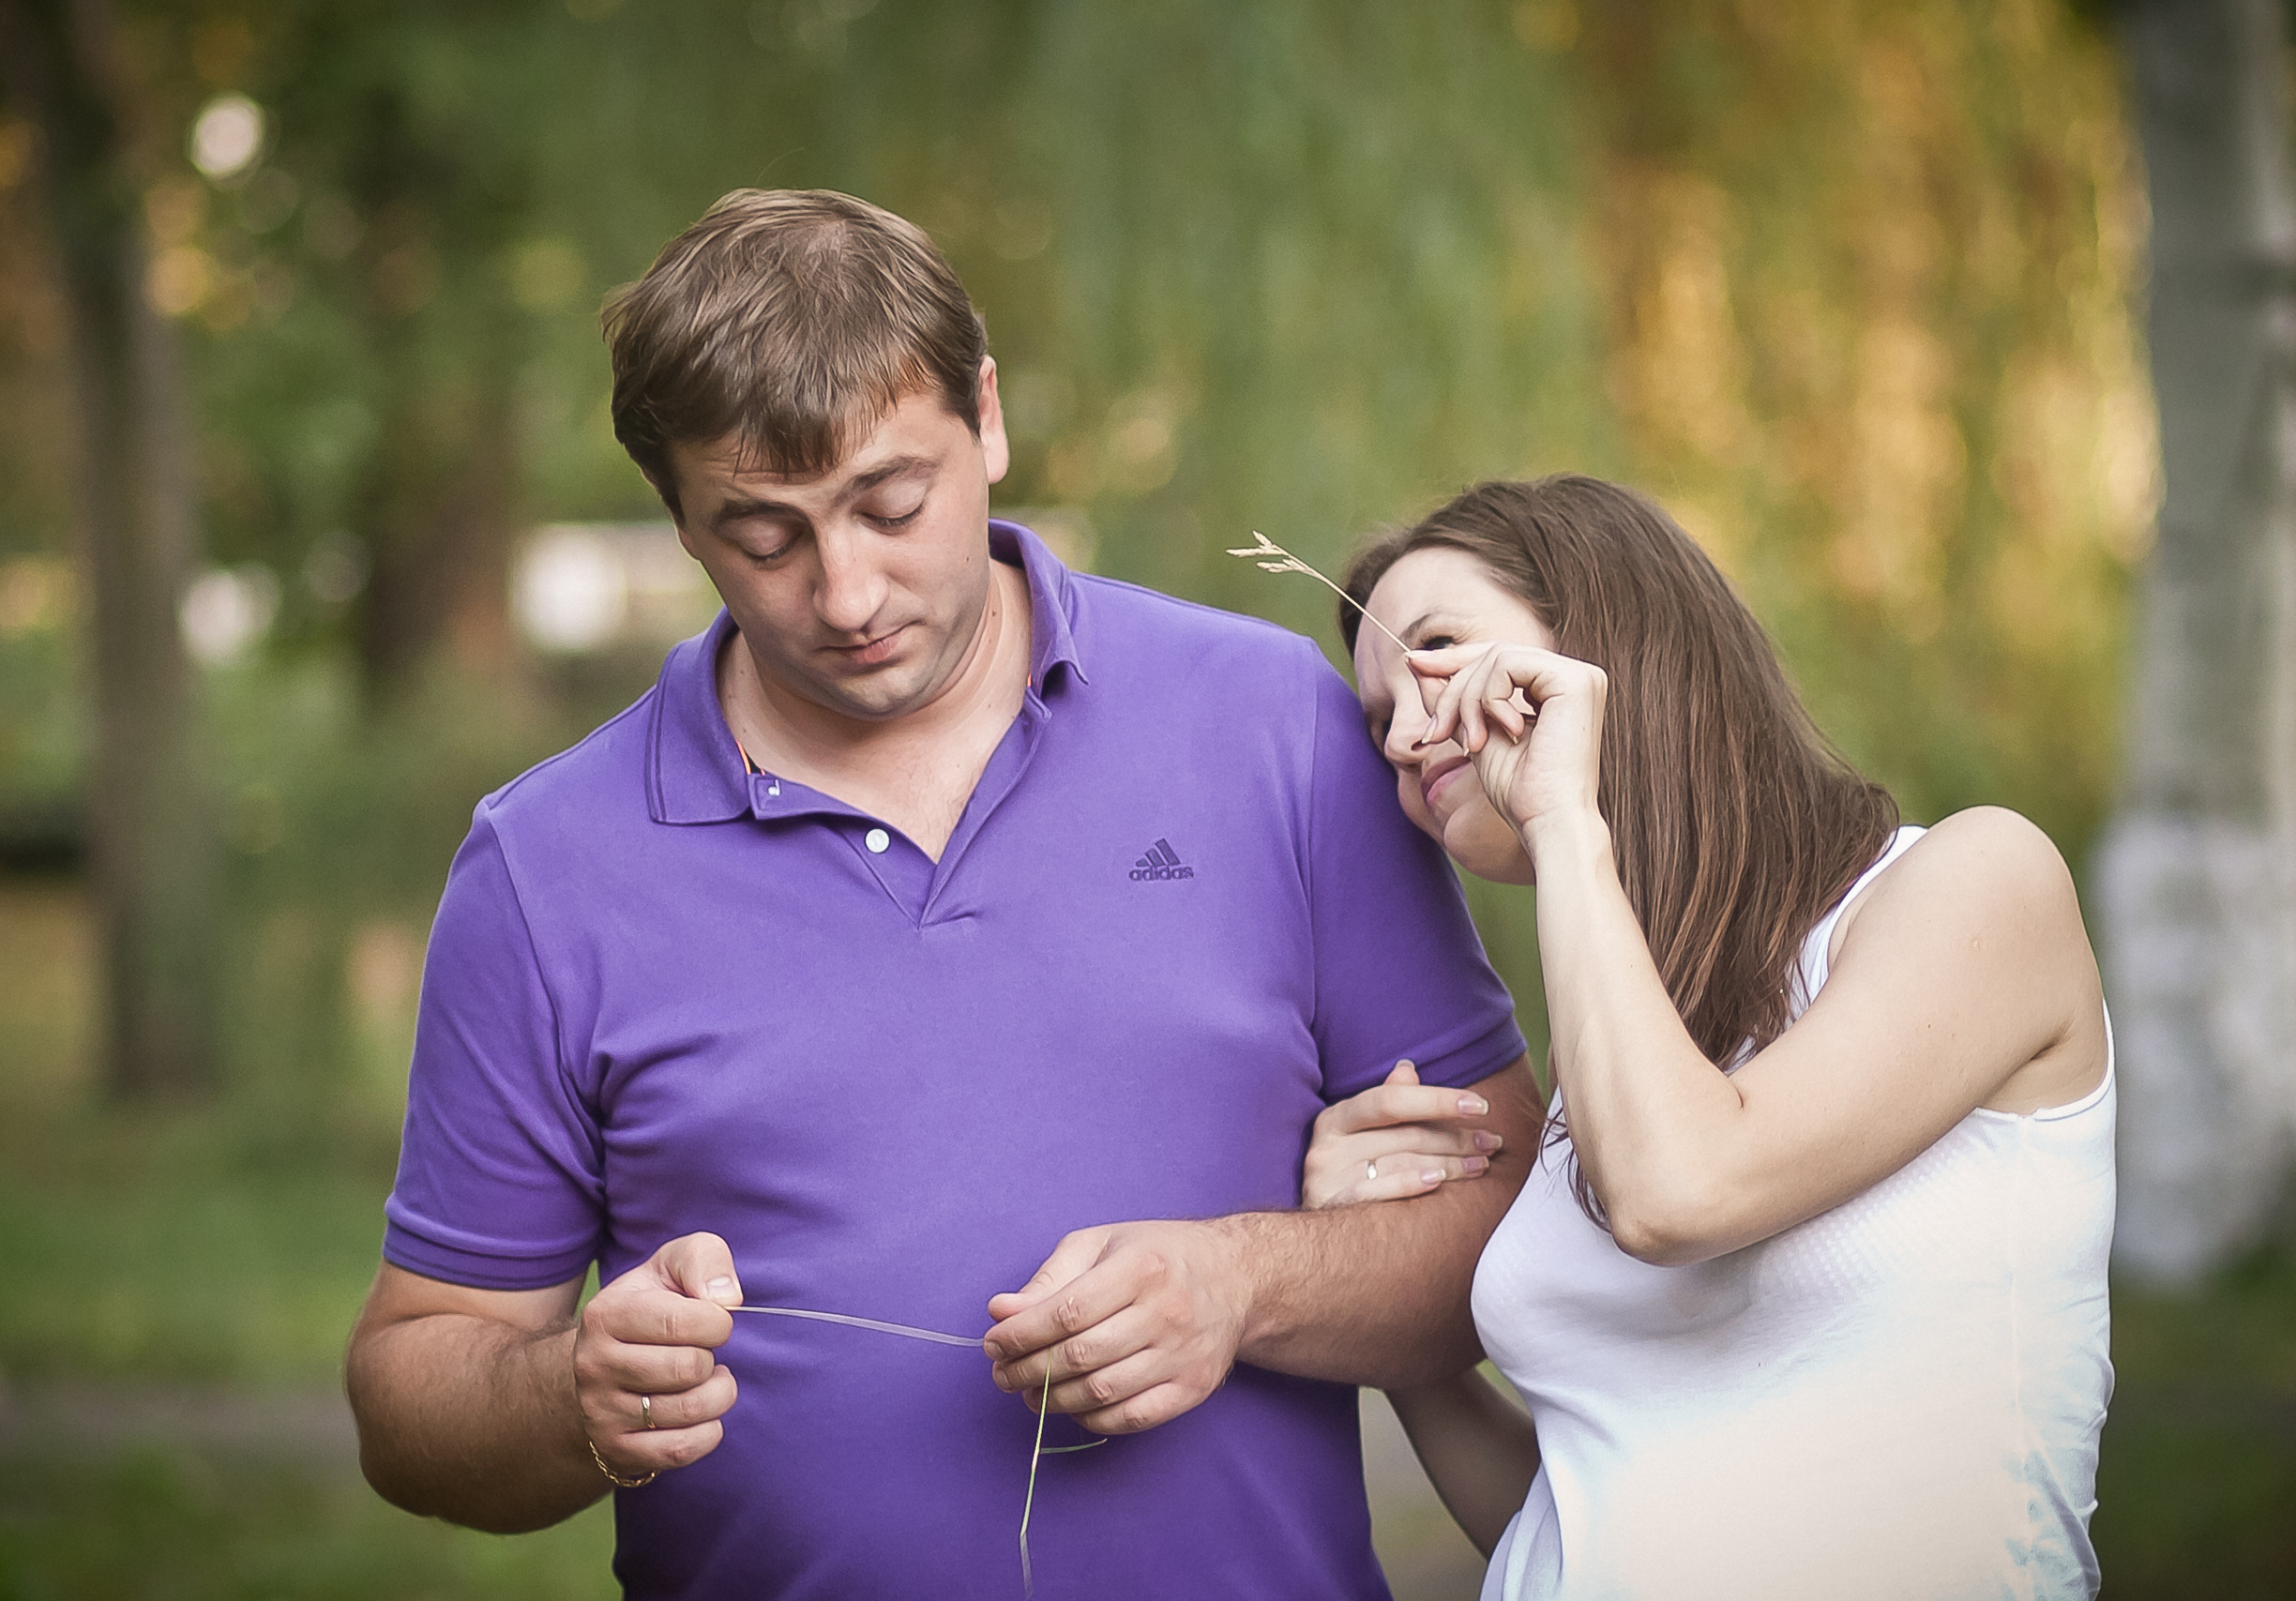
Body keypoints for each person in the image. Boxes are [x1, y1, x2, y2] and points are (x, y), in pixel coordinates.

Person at [341, 188, 1545, 1600]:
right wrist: (567, 1397)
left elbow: (1514, 1212)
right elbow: (413, 1389)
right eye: (763, 535)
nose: (847, 591)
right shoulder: (547, 866)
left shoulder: (1272, 724)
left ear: (987, 418)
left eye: (890, 503)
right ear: (678, 519)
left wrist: (1243, 1281)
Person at [1300, 476, 2114, 1600]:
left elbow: (1680, 1191)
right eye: (1377, 717)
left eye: (1433, 649)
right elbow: (1578, 1519)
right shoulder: (1614, 1068)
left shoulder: (1975, 882)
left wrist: (1565, 822)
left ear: (1605, 637)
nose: (1399, 736)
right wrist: (1404, 1354)